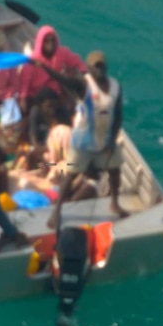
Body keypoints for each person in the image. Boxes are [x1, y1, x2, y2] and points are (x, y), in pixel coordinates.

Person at [31, 51, 129, 228]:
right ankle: (57, 211)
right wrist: (43, 66)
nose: (99, 69)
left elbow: (118, 116)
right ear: (89, 68)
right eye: (95, 66)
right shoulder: (84, 84)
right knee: (71, 174)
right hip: (83, 140)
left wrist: (112, 141)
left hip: (105, 138)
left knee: (115, 171)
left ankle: (115, 203)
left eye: (101, 65)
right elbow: (62, 80)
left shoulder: (115, 86)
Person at [18, 26, 86, 113]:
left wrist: (85, 73)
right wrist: (23, 98)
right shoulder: (32, 61)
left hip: (54, 92)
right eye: (46, 41)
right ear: (41, 43)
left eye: (53, 40)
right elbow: (25, 82)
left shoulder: (61, 53)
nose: (51, 43)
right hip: (36, 94)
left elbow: (76, 60)